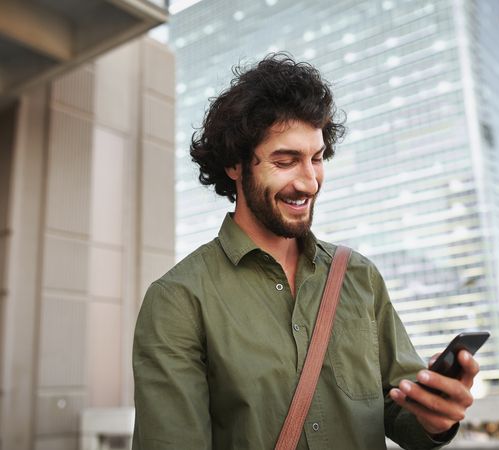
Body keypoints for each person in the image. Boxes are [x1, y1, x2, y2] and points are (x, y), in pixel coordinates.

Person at [132, 53, 479, 450]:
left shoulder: (359, 276)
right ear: (234, 164)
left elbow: (401, 413)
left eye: (316, 159)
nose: (310, 182)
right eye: (286, 161)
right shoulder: (177, 299)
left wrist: (434, 416)